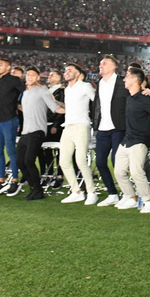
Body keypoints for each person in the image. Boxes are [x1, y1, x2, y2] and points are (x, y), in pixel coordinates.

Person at [113, 67, 150, 213]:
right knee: (119, 171)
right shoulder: (129, 98)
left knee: (136, 172)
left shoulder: (146, 98)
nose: (124, 79)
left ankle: (149, 202)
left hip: (139, 140)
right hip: (127, 139)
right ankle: (131, 198)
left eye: (127, 76)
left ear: (135, 79)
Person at [17, 66, 64, 201]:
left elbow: (54, 108)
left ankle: (37, 190)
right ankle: (34, 188)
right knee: (20, 162)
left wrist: (72, 111)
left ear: (38, 77)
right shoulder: (25, 93)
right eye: (27, 75)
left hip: (37, 130)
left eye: (33, 74)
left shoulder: (42, 91)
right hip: (26, 131)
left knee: (29, 160)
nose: (29, 76)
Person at [92, 55, 129, 207]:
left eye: (104, 64)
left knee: (117, 162)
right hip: (102, 128)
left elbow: (136, 91)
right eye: (100, 64)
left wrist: (147, 90)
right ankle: (112, 193)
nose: (101, 66)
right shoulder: (100, 83)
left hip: (118, 127)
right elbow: (97, 105)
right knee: (100, 162)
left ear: (114, 67)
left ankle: (128, 194)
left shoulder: (122, 82)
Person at [58, 63, 97, 205]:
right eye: (65, 70)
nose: (66, 72)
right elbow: (69, 108)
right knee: (64, 161)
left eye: (70, 70)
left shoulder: (85, 86)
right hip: (67, 127)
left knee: (81, 160)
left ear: (78, 74)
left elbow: (97, 101)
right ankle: (76, 192)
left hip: (81, 126)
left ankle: (92, 192)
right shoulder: (67, 89)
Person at [0, 58, 26, 197]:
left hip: (10, 119)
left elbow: (25, 93)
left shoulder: (14, 80)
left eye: (1, 65)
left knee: (11, 150)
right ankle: (1, 179)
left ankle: (15, 180)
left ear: (8, 67)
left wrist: (19, 105)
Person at [39, 69, 65, 189]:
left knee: (59, 151)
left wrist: (56, 124)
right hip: (44, 124)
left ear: (59, 78)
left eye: (52, 75)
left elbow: (62, 109)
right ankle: (47, 175)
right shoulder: (46, 91)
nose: (49, 76)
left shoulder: (62, 91)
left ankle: (59, 176)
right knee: (46, 151)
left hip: (56, 125)